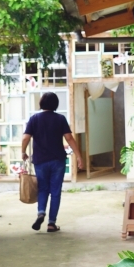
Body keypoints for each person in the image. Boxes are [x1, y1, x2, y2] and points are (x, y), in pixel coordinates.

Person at [20, 92, 83, 233]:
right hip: (57, 160)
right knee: (55, 192)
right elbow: (69, 139)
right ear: (56, 104)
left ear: (41, 103)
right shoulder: (60, 119)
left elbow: (25, 138)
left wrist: (23, 152)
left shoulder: (34, 119)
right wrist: (79, 156)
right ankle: (51, 223)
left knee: (43, 188)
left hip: (40, 161)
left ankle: (41, 212)